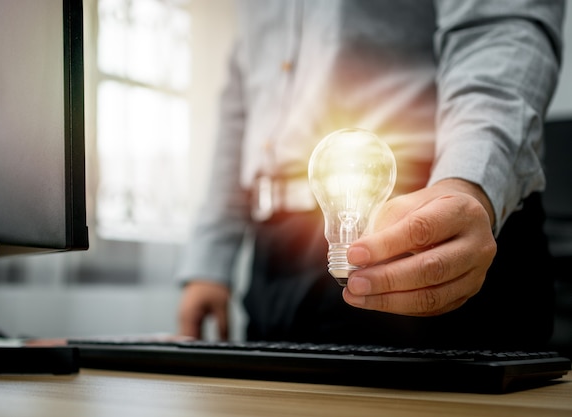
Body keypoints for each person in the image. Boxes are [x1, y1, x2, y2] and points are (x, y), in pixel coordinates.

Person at [176, 0, 565, 350]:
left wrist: (467, 182)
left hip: (425, 231)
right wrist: (210, 259)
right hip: (275, 254)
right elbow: (244, 94)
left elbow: (500, 26)